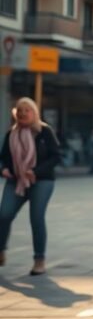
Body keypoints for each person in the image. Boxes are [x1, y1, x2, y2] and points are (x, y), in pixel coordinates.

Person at [0, 98, 61, 275]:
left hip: (41, 180)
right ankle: (1, 249)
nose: (23, 113)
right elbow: (2, 157)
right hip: (16, 180)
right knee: (4, 214)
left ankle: (39, 260)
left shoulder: (44, 132)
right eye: (20, 111)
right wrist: (3, 169)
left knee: (36, 217)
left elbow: (56, 156)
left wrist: (36, 170)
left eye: (27, 110)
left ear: (34, 113)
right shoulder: (11, 134)